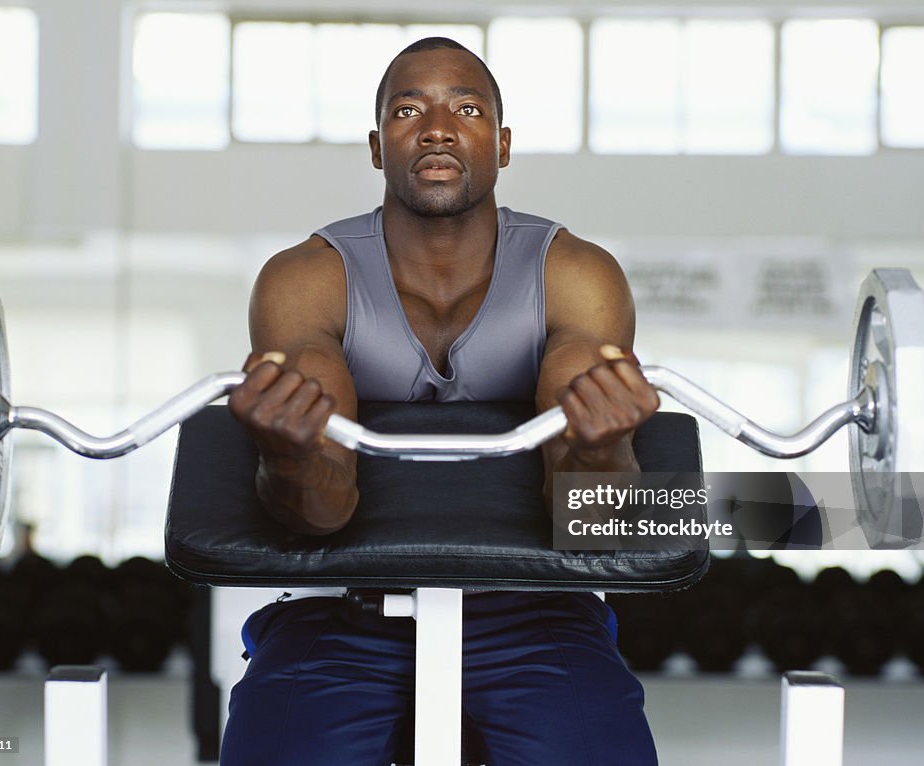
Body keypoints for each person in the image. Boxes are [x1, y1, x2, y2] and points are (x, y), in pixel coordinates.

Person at [224, 37, 661, 765]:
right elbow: (320, 514)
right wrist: (289, 456)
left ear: (503, 143)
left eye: (466, 108)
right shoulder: (305, 281)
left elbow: (592, 524)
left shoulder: (578, 276)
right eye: (407, 110)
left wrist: (601, 449)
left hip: (537, 614)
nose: (436, 127)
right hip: (340, 610)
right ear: (376, 147)